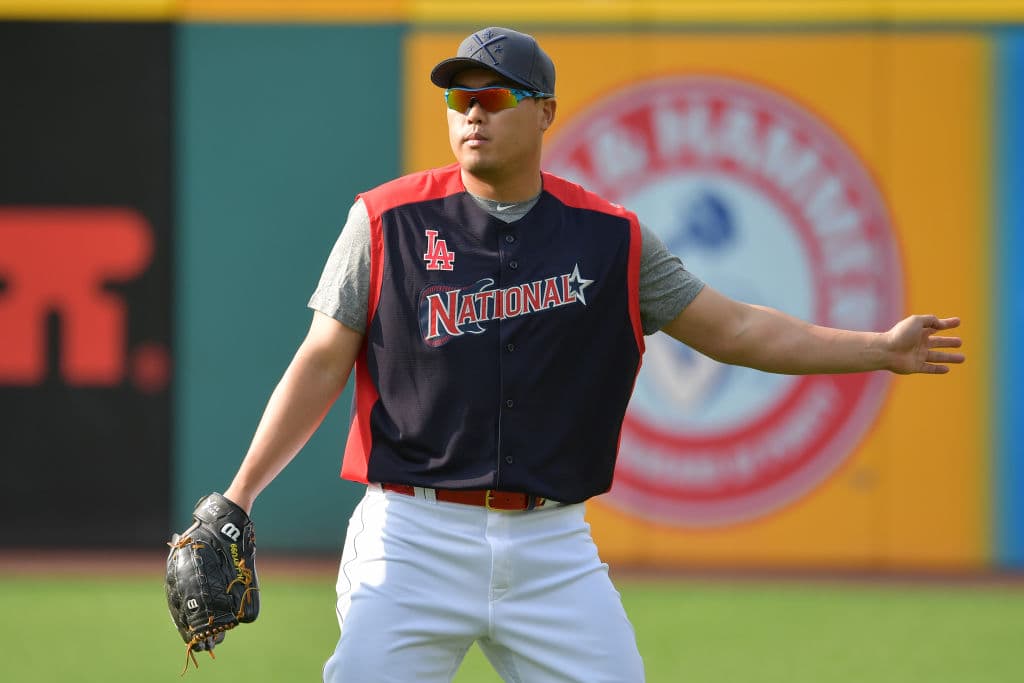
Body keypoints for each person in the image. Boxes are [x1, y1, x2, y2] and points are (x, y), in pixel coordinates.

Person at [220, 27, 964, 683]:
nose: (474, 113)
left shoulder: (611, 238)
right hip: (413, 536)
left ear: (545, 111)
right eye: (459, 98)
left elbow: (735, 328)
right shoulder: (387, 220)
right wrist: (239, 495)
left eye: (495, 97)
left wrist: (878, 348)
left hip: (551, 546)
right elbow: (321, 360)